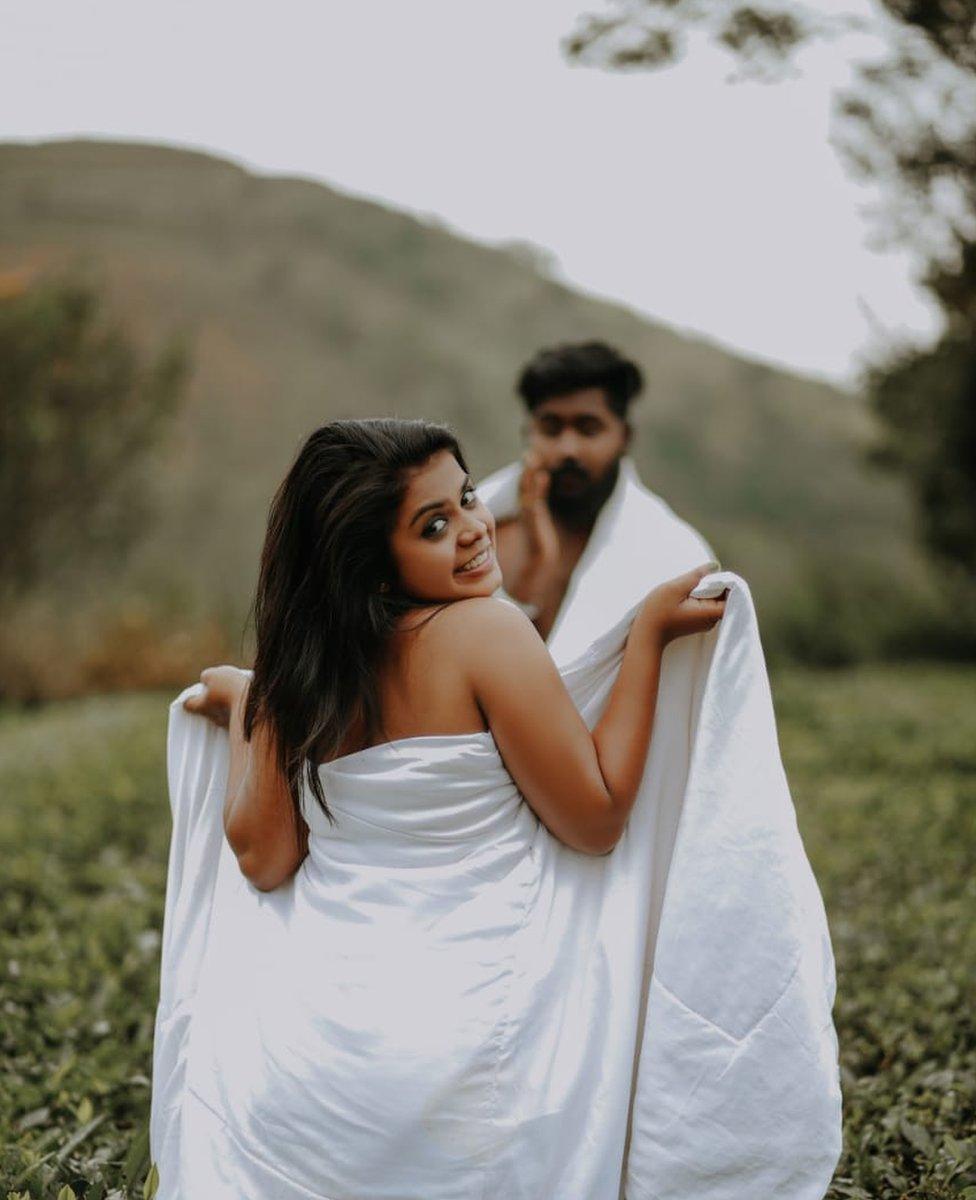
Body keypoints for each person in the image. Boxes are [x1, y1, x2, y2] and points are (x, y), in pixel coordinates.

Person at [149, 418, 841, 1199]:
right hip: (457, 1058)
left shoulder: (302, 672)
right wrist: (644, 638)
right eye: (434, 525)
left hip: (304, 1072)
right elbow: (597, 818)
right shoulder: (485, 631)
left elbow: (263, 859)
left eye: (468, 497)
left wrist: (251, 703)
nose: (476, 531)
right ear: (374, 565)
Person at [481, 341, 715, 664]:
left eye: (588, 429)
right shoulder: (477, 537)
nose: (568, 449)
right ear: (528, 432)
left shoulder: (674, 557)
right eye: (551, 429)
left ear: (624, 437)